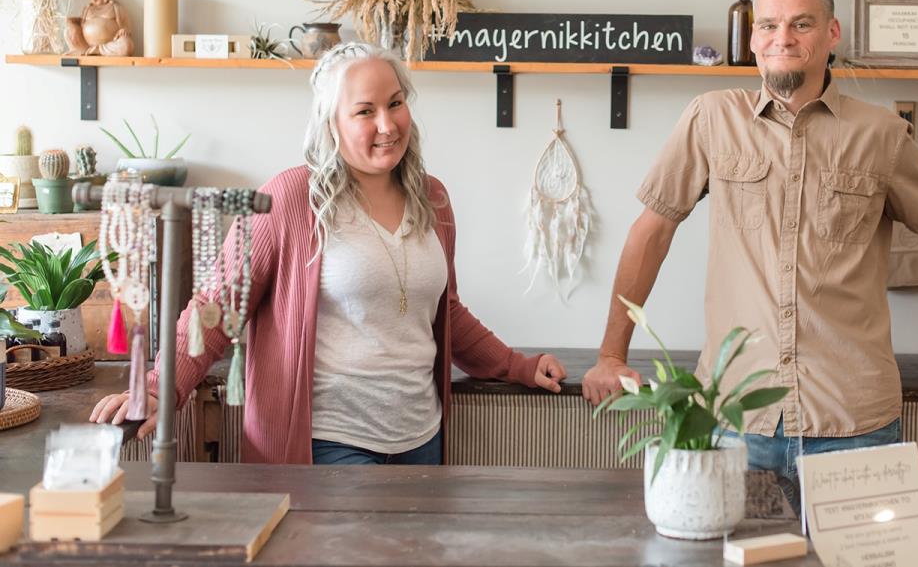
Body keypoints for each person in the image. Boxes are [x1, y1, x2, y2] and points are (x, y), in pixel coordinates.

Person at [581, 0, 918, 512]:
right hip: (736, 420)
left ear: (832, 34)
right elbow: (652, 230)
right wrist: (612, 354)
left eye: (802, 23)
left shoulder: (883, 134)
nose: (784, 37)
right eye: (771, 24)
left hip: (854, 421)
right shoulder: (711, 119)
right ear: (754, 38)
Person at [92, 42, 567, 465]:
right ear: (332, 124)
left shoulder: (434, 199)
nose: (387, 124)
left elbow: (446, 311)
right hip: (325, 445)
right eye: (365, 111)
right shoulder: (289, 199)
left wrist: (516, 365)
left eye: (396, 104)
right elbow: (213, 310)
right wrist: (158, 388)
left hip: (421, 438)